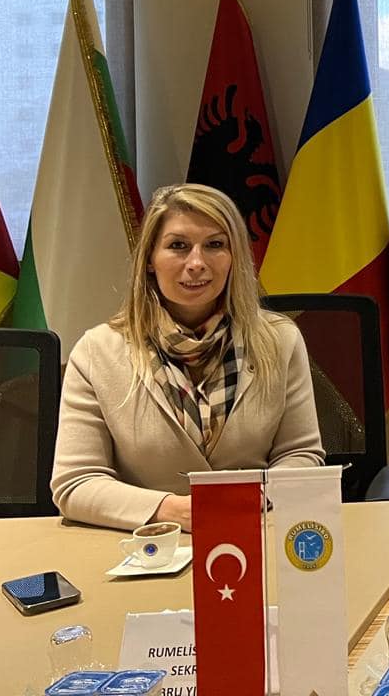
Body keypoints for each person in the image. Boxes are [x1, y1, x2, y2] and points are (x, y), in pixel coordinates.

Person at [51, 184, 323, 531]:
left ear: (234, 257)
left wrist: (255, 497)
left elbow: (301, 455)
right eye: (178, 246)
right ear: (150, 259)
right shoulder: (97, 351)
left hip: (255, 532)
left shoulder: (279, 340)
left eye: (215, 245)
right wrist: (171, 510)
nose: (197, 263)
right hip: (145, 543)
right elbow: (76, 483)